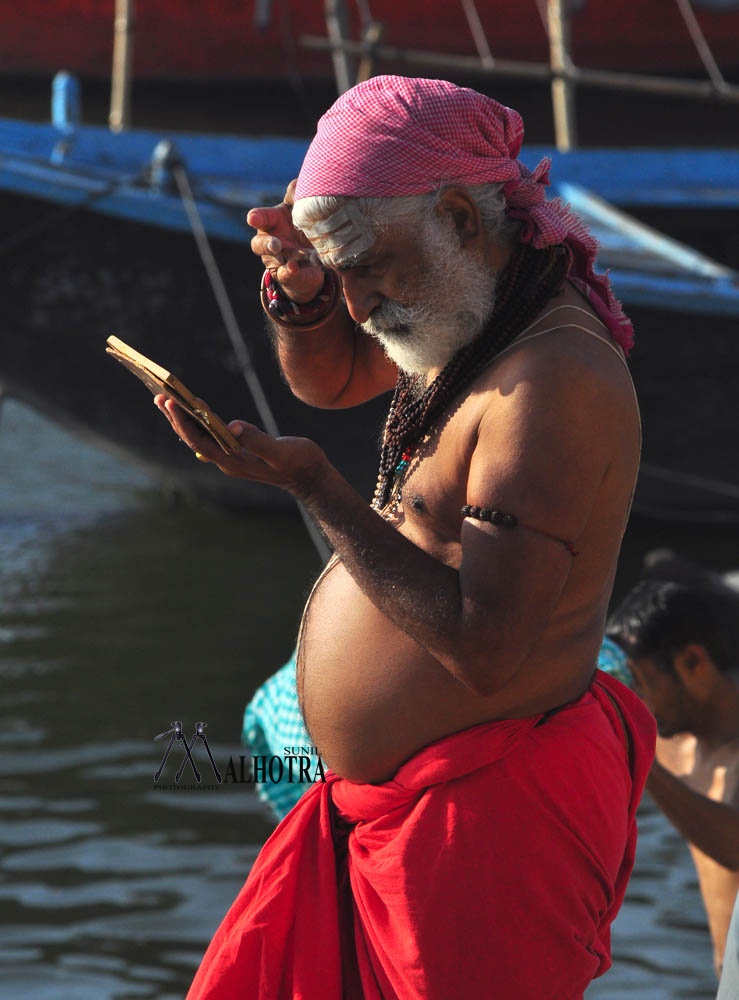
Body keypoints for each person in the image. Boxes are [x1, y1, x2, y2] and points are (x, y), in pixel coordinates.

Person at [155, 76, 655, 999]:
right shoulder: (475, 313)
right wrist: (299, 296)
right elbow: (335, 380)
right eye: (336, 271)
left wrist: (315, 488)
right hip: (408, 822)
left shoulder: (547, 382)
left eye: (365, 266)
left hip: (486, 834)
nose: (358, 302)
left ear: (460, 219)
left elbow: (486, 650)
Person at [607, 579, 739, 980]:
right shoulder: (673, 741)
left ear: (694, 662)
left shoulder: (655, 751)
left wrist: (641, 759)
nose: (638, 702)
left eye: (642, 684)